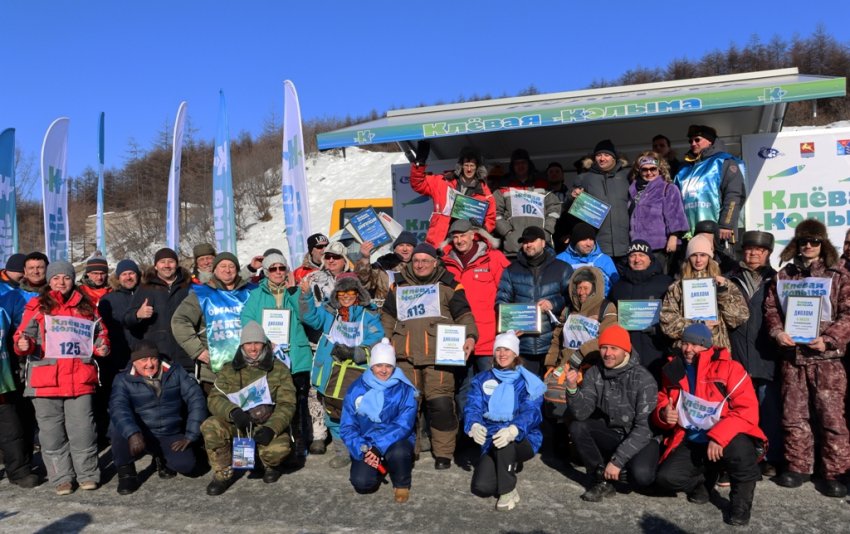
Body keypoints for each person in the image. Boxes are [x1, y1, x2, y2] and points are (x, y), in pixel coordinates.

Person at [763, 219, 850, 497]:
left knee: (832, 419)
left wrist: (828, 338)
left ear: (823, 243)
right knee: (794, 415)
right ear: (796, 244)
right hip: (793, 357)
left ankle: (835, 472)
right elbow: (771, 310)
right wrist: (777, 332)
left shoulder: (838, 275)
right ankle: (798, 466)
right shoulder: (784, 275)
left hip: (827, 359)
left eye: (814, 241)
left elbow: (848, 313)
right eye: (803, 241)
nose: (809, 246)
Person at [653, 324, 765, 526]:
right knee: (665, 479)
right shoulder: (672, 368)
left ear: (707, 347)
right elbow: (664, 398)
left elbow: (747, 411)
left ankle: (740, 504)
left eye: (695, 344)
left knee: (741, 452)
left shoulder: (731, 368)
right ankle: (705, 479)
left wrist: (719, 437)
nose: (688, 349)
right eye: (686, 343)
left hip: (726, 438)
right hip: (691, 438)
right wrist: (663, 412)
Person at [13, 260, 110, 495]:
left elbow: (100, 334)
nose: (61, 282)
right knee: (51, 434)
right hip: (45, 381)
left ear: (72, 280)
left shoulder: (86, 306)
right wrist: (23, 344)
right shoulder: (37, 305)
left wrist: (102, 346)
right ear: (49, 280)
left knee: (83, 430)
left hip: (79, 379)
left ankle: (87, 474)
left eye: (66, 278)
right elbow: (21, 336)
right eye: (56, 278)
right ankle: (62, 478)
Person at [380, 243, 478, 469]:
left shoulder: (450, 285)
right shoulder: (399, 286)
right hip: (405, 358)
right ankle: (407, 450)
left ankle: (443, 454)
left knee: (441, 406)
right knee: (407, 407)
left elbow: (464, 315)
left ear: (435, 262)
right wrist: (384, 344)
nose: (420, 264)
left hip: (439, 359)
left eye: (425, 260)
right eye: (416, 260)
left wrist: (471, 336)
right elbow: (386, 317)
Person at [565, 324, 659, 502]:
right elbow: (581, 413)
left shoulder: (643, 379)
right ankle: (599, 480)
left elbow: (644, 429)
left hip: (640, 437)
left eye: (614, 348)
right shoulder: (594, 372)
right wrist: (572, 390)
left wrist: (617, 461)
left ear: (626, 351)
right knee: (578, 426)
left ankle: (615, 467)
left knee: (642, 476)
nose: (608, 353)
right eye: (604, 348)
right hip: (612, 432)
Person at [201, 321, 296, 495]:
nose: (253, 348)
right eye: (248, 343)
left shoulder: (279, 369)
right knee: (210, 425)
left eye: (257, 343)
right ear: (242, 345)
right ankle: (224, 472)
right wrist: (233, 412)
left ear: (264, 344)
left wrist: (271, 428)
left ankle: (267, 463)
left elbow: (287, 404)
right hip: (238, 424)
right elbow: (215, 397)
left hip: (265, 424)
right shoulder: (229, 369)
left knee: (277, 451)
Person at [300, 273, 384, 468]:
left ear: (358, 294)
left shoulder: (368, 315)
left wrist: (356, 353)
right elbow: (309, 317)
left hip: (357, 374)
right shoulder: (329, 312)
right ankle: (342, 451)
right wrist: (305, 296)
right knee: (333, 413)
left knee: (360, 414)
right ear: (336, 294)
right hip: (330, 373)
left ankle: (362, 449)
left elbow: (377, 340)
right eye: (342, 292)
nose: (346, 296)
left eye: (351, 292)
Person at [241, 252, 317, 459]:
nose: (277, 272)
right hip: (269, 355)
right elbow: (247, 319)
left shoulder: (294, 291)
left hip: (296, 354)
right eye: (272, 268)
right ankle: (276, 442)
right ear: (265, 271)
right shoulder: (257, 294)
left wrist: (298, 292)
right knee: (273, 400)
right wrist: (264, 340)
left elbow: (307, 316)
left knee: (299, 400)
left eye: (281, 268)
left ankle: (300, 441)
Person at [109, 340, 207, 495]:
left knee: (188, 467)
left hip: (169, 431)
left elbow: (196, 400)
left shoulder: (176, 372)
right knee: (118, 426)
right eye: (143, 360)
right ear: (134, 362)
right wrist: (133, 433)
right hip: (141, 433)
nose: (149, 364)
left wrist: (191, 435)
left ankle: (161, 457)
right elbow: (118, 408)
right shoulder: (122, 379)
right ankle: (126, 472)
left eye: (153, 359)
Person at [464, 330, 545, 511]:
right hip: (491, 438)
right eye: (498, 350)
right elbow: (473, 406)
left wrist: (514, 430)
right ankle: (506, 464)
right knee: (482, 488)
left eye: (507, 350)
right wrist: (474, 425)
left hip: (522, 438)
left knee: (505, 445)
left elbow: (532, 411)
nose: (502, 354)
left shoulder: (528, 381)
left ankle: (508, 491)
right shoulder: (482, 379)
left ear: (515, 353)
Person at [726, 230, 782, 475]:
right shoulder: (729, 280)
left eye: (759, 250)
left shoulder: (778, 281)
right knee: (741, 411)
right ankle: (746, 458)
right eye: (748, 249)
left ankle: (771, 457)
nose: (753, 254)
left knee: (768, 409)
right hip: (738, 355)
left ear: (767, 253)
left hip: (766, 356)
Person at [440, 219, 510, 415]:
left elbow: (508, 292)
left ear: (473, 235)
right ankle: (468, 433)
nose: (459, 240)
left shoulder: (493, 258)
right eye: (455, 237)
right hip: (457, 339)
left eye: (463, 235)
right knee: (463, 389)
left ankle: (491, 428)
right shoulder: (445, 262)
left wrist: (507, 331)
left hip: (488, 338)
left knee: (491, 386)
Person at [340, 337, 418, 503]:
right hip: (366, 441)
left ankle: (401, 482)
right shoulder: (356, 388)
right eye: (379, 365)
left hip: (394, 440)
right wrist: (364, 449)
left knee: (400, 452)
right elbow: (348, 426)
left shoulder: (404, 389)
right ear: (372, 365)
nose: (384, 370)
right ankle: (381, 465)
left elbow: (404, 425)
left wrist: (378, 446)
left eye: (388, 366)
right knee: (362, 482)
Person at [495, 226, 573, 376]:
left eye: (532, 241)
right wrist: (510, 324)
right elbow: (501, 301)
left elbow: (572, 299)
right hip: (522, 344)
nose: (528, 244)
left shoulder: (562, 268)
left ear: (543, 243)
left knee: (551, 392)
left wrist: (553, 303)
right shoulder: (511, 270)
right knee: (526, 392)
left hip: (553, 344)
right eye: (525, 241)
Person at [172, 252, 256, 386]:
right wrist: (197, 350)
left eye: (231, 266)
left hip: (252, 368)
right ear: (214, 270)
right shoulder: (201, 294)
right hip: (214, 373)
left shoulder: (251, 292)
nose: (227, 270)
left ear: (237, 270)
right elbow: (179, 320)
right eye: (222, 266)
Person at [660, 234, 749, 350]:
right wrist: (698, 325)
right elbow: (667, 322)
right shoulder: (677, 287)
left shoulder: (724, 284)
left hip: (716, 348)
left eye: (703, 255)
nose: (698, 260)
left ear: (709, 257)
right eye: (694, 255)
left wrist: (722, 293)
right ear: (688, 258)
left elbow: (739, 318)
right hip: (688, 349)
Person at [409, 143, 497, 247]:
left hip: (467, 245)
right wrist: (420, 162)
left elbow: (491, 220)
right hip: (440, 242)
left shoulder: (485, 193)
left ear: (477, 167)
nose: (469, 169)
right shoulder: (443, 182)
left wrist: (482, 227)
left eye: (472, 165)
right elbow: (418, 184)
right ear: (461, 166)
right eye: (466, 165)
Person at [96, 259, 144, 447]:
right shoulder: (109, 299)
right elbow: (105, 328)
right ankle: (120, 439)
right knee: (119, 401)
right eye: (124, 274)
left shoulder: (146, 294)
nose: (128, 277)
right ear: (118, 277)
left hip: (145, 356)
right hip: (119, 358)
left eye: (132, 273)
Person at [608, 240, 673, 380]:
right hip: (628, 350)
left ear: (650, 258)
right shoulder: (619, 287)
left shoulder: (666, 283)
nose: (637, 259)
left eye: (642, 255)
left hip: (657, 349)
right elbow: (611, 316)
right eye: (633, 255)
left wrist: (659, 329)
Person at [125, 248, 193, 375]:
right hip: (158, 357)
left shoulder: (188, 286)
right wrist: (137, 315)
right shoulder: (146, 287)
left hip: (186, 355)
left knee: (190, 393)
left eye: (171, 261)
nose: (167, 265)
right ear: (156, 266)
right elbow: (127, 319)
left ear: (176, 264)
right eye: (162, 262)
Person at [674, 124, 746, 241]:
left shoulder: (724, 161)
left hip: (719, 233)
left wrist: (726, 224)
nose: (693, 144)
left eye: (697, 140)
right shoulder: (683, 169)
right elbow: (675, 203)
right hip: (688, 236)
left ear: (710, 141)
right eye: (690, 141)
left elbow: (734, 195)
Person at [628, 152, 689, 274]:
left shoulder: (668, 188)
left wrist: (673, 236)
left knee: (660, 280)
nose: (649, 173)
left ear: (659, 169)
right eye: (644, 170)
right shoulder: (633, 190)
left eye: (653, 169)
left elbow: (676, 216)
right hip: (637, 247)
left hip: (659, 246)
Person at [493, 149, 561, 256]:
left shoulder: (541, 184)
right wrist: (508, 233)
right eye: (517, 163)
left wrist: (547, 231)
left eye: (523, 163)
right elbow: (495, 212)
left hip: (540, 247)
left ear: (529, 164)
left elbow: (554, 207)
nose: (520, 166)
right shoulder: (503, 187)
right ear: (512, 166)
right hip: (514, 248)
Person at [0, 307, 39, 488]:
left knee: (13, 432)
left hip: (3, 386)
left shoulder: (2, 312)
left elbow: (10, 342)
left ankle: (19, 472)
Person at [576, 140, 631, 260]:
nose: (602, 158)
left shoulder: (627, 176)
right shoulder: (584, 178)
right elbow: (571, 208)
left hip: (625, 245)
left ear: (614, 158)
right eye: (599, 155)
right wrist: (572, 198)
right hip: (598, 246)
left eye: (606, 155)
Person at [555, 222, 618, 296]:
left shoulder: (604, 260)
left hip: (599, 304)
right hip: (570, 304)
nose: (588, 244)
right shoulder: (560, 260)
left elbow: (617, 288)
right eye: (584, 239)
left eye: (591, 239)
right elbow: (553, 288)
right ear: (575, 240)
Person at [356, 230, 417, 306]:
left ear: (414, 248)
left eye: (408, 245)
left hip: (411, 312)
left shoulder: (421, 267)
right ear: (394, 249)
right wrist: (365, 258)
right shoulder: (381, 266)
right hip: (384, 312)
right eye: (401, 245)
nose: (405, 249)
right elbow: (363, 283)